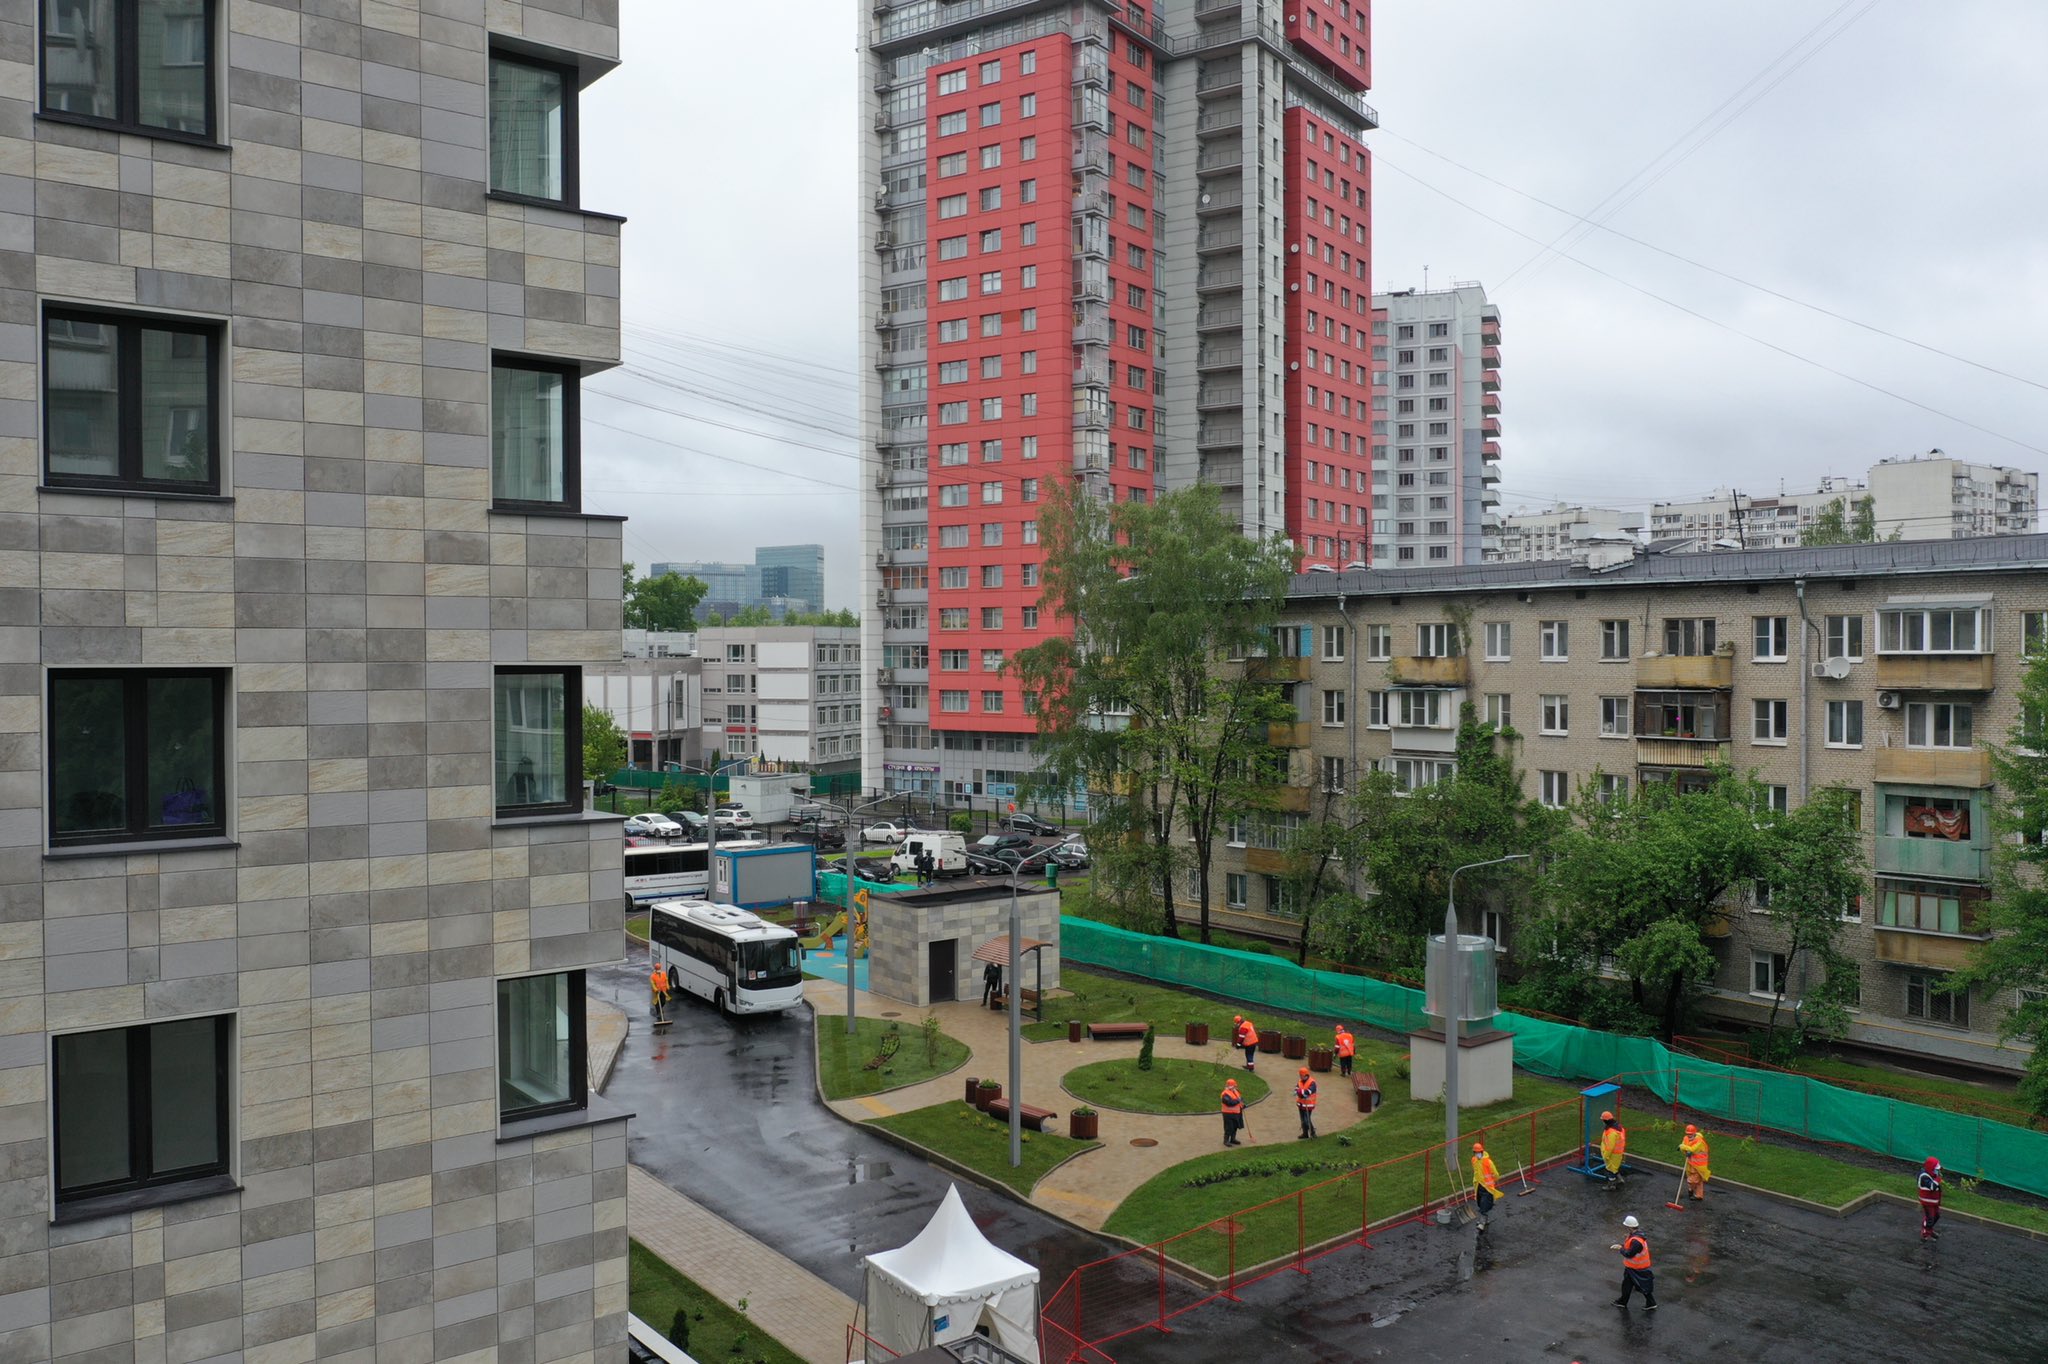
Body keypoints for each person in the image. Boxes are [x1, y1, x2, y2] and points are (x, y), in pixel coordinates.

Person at [1610, 1214, 1656, 1310]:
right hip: (1634, 1268)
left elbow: (1629, 1254)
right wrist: (1622, 1245)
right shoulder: (1636, 1236)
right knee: (1628, 1284)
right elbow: (1629, 1247)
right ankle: (1623, 1301)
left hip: (1637, 1268)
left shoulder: (1636, 1241)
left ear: (1629, 1227)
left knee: (1642, 1286)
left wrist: (1620, 1248)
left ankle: (1650, 1302)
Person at [1471, 1141, 1502, 1228]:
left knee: (1484, 1204)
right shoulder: (1474, 1160)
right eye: (1475, 1152)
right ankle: (1485, 1219)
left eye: (1478, 1152)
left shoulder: (1488, 1162)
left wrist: (1492, 1180)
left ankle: (1482, 1222)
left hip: (1487, 1187)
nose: (1477, 1154)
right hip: (1479, 1186)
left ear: (1481, 1152)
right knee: (1480, 1203)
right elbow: (1476, 1172)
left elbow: (1496, 1174)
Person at [1679, 1124, 1711, 1202]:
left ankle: (1690, 1190)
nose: (1689, 1135)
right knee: (1698, 1180)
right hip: (1691, 1162)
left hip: (1699, 1165)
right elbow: (1684, 1146)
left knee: (1692, 1180)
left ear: (1694, 1133)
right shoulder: (1686, 1138)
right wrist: (1683, 1149)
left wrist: (1682, 1147)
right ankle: (1699, 1195)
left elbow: (1692, 1149)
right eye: (1687, 1133)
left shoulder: (1699, 1141)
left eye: (1690, 1134)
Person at [1599, 1110, 1627, 1187]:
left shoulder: (1611, 1132)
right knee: (1614, 1167)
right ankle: (1620, 1179)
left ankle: (1611, 1186)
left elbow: (1610, 1147)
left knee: (1610, 1170)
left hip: (1611, 1154)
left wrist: (1605, 1155)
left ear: (1605, 1120)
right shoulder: (1619, 1128)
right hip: (1617, 1153)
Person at [1918, 1156, 1943, 1241]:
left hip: (1933, 1201)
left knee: (1936, 1216)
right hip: (1927, 1201)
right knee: (1930, 1218)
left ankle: (1930, 1230)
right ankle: (1925, 1233)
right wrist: (1938, 1179)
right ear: (1930, 1167)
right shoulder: (1924, 1176)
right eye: (1935, 1169)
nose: (1937, 1171)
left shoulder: (1932, 1174)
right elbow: (1932, 1186)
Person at [1293, 1066, 1318, 1139]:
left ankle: (1313, 1133)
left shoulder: (1312, 1082)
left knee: (1307, 1120)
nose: (1300, 1077)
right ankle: (1305, 1134)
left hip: (1308, 1104)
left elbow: (1309, 1091)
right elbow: (1296, 1089)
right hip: (1301, 1104)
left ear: (1306, 1075)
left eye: (1301, 1075)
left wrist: (1300, 1092)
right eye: (1300, 1075)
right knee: (1303, 1120)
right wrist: (1298, 1091)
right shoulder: (1300, 1081)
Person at [1220, 1077, 1246, 1147]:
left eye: (1235, 1085)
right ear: (1229, 1086)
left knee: (1235, 1126)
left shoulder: (1235, 1091)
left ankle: (1233, 1139)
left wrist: (1243, 1104)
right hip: (1228, 1114)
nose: (1235, 1086)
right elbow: (1229, 1103)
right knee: (1229, 1127)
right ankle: (1226, 1141)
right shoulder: (1225, 1094)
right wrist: (1238, 1100)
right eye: (1234, 1085)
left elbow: (1241, 1099)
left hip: (1237, 1113)